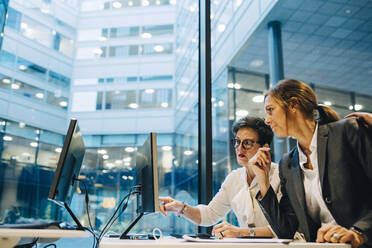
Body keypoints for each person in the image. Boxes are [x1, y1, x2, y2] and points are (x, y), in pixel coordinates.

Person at [250, 79, 372, 248]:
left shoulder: (348, 131)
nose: (267, 120)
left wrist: (359, 232)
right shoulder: (287, 164)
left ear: (293, 104)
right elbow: (286, 231)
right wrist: (263, 180)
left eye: (270, 110)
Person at [159, 116, 281, 239]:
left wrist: (240, 232)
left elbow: (287, 229)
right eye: (237, 141)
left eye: (247, 143)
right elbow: (210, 215)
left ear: (264, 147)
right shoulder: (234, 178)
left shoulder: (280, 176)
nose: (240, 147)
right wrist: (181, 207)